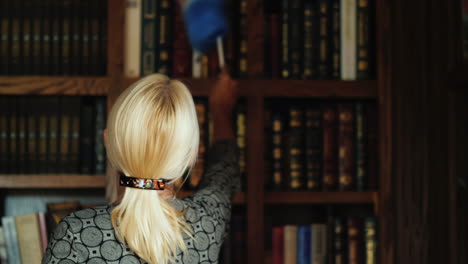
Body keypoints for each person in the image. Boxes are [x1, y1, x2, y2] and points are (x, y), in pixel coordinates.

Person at [41, 71, 240, 264]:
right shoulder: (208, 222)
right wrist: (221, 110)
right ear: (190, 157)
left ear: (108, 142)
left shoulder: (76, 233)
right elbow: (223, 170)